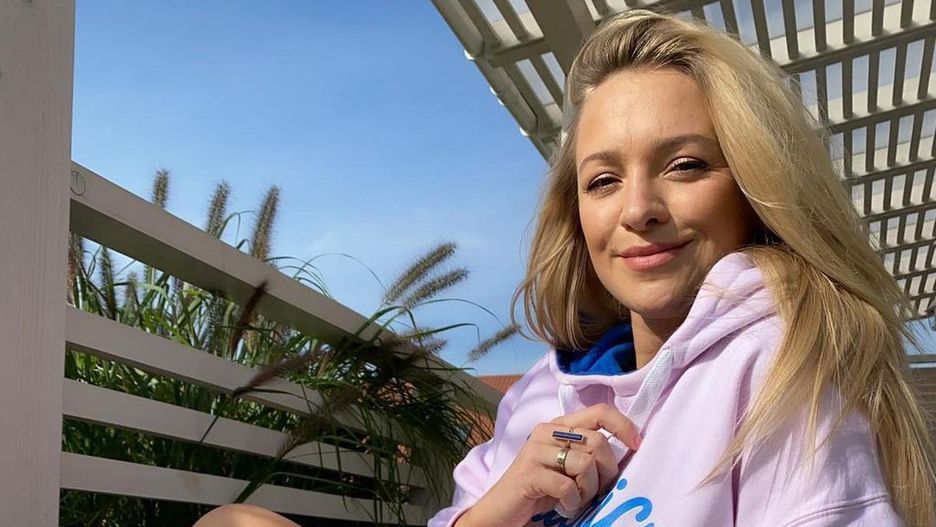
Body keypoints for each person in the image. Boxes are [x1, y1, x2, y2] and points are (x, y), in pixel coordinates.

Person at [428, 8, 936, 527]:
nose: (637, 210)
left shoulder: (784, 365)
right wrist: (499, 509)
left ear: (754, 187)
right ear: (574, 212)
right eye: (603, 180)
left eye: (685, 166)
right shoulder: (543, 387)